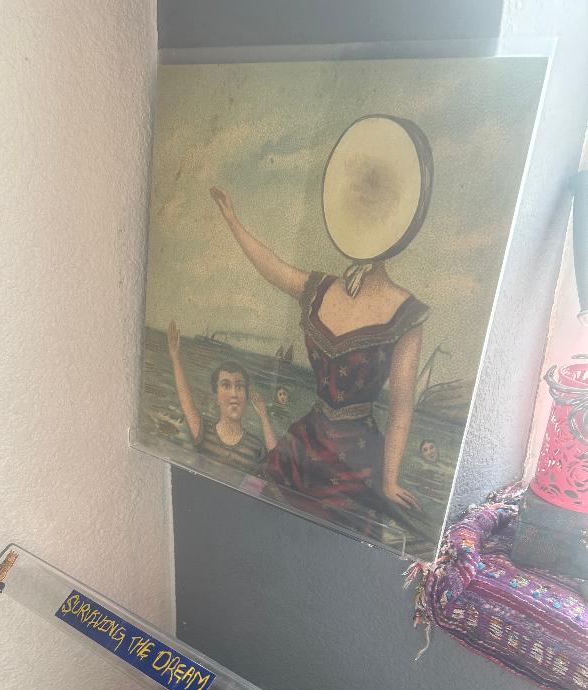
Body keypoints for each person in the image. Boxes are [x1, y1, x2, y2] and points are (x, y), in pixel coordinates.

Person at [208, 117, 431, 536]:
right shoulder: (320, 289)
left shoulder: (407, 313)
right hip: (306, 439)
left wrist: (389, 481)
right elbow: (274, 268)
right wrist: (233, 221)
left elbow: (403, 405)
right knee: (258, 522)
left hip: (356, 460)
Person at [166, 320, 276, 473]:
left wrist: (264, 417)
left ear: (246, 397)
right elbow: (187, 404)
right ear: (216, 396)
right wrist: (175, 358)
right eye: (226, 385)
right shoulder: (204, 432)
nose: (234, 394)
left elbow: (277, 465)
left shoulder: (256, 447)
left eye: (239, 386)